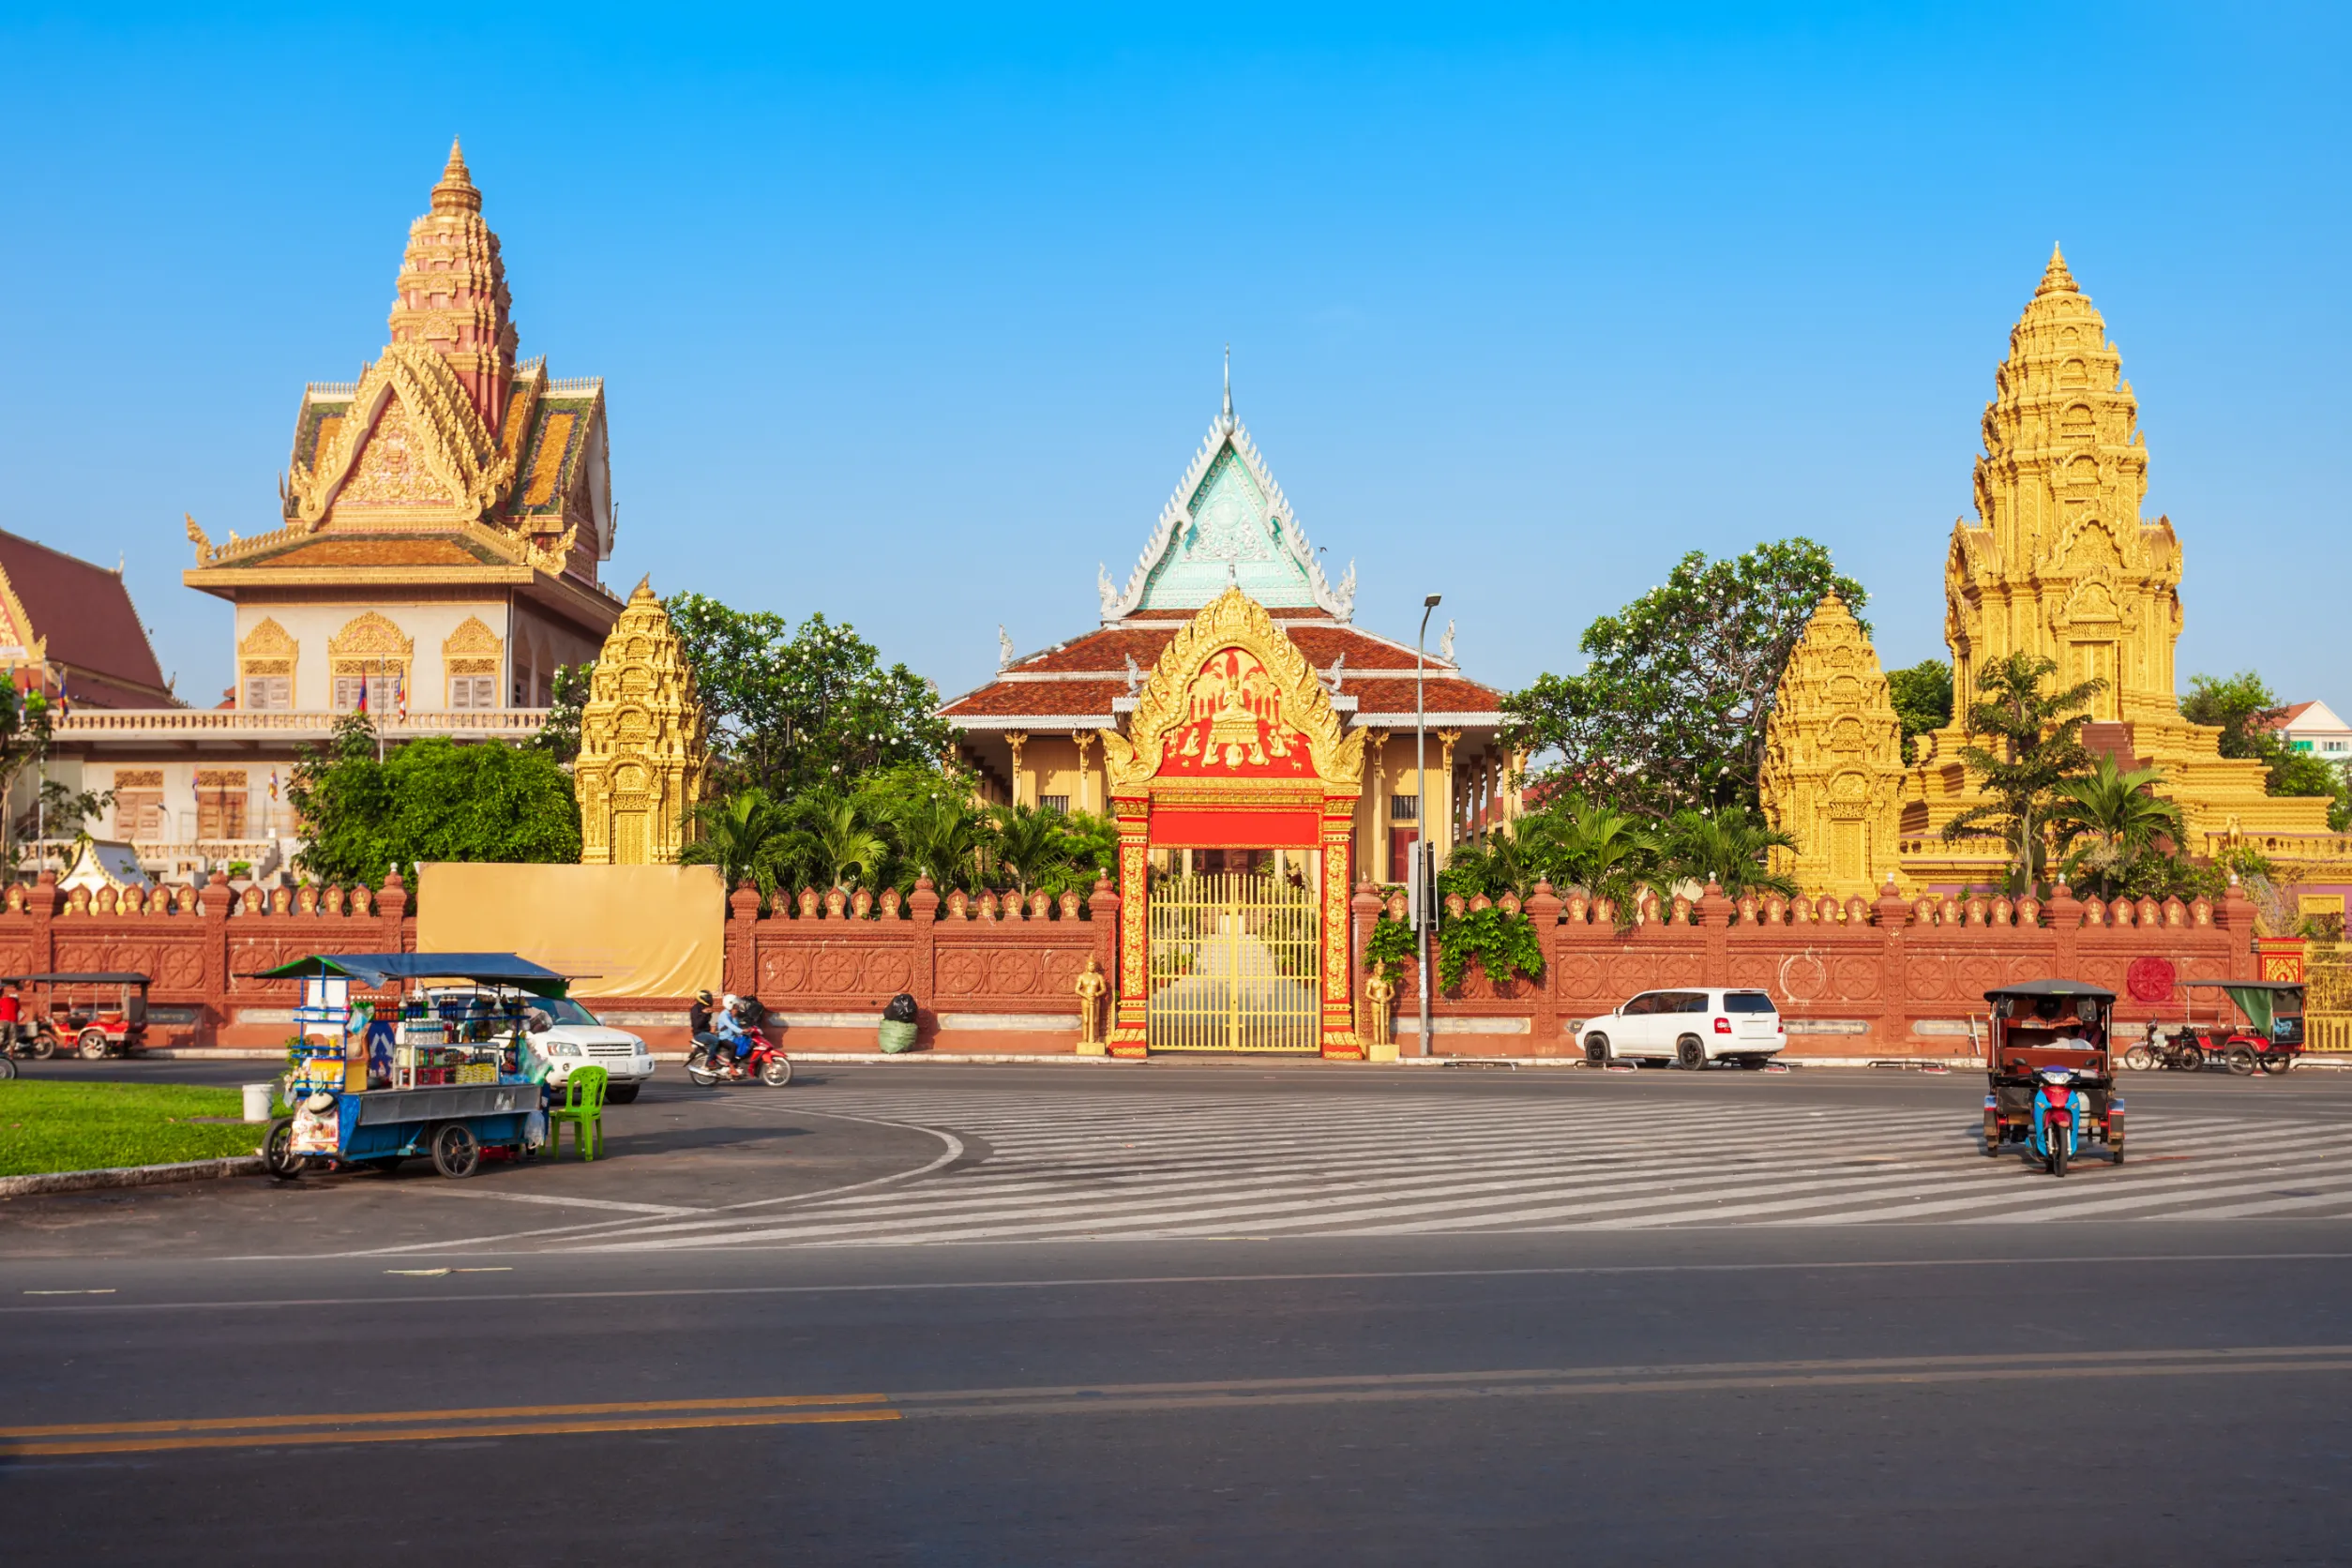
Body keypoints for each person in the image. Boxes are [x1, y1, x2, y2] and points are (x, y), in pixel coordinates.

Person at [710, 993, 746, 1074]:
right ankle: (729, 1066)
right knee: (733, 1046)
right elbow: (730, 1026)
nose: (736, 1006)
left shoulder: (730, 1014)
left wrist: (734, 1018)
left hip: (731, 1037)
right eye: (735, 1005)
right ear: (729, 1004)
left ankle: (737, 1064)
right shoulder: (724, 1014)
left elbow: (735, 1025)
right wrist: (741, 1031)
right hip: (723, 1038)